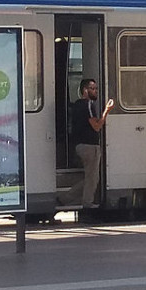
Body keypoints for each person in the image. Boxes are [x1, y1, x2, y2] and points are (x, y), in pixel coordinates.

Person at [60, 78, 110, 209]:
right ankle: (87, 203)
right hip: (89, 146)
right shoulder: (88, 105)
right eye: (93, 88)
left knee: (91, 178)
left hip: (79, 145)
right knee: (93, 179)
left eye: (96, 88)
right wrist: (107, 111)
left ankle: (64, 199)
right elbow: (97, 126)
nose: (96, 91)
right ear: (85, 90)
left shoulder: (76, 104)